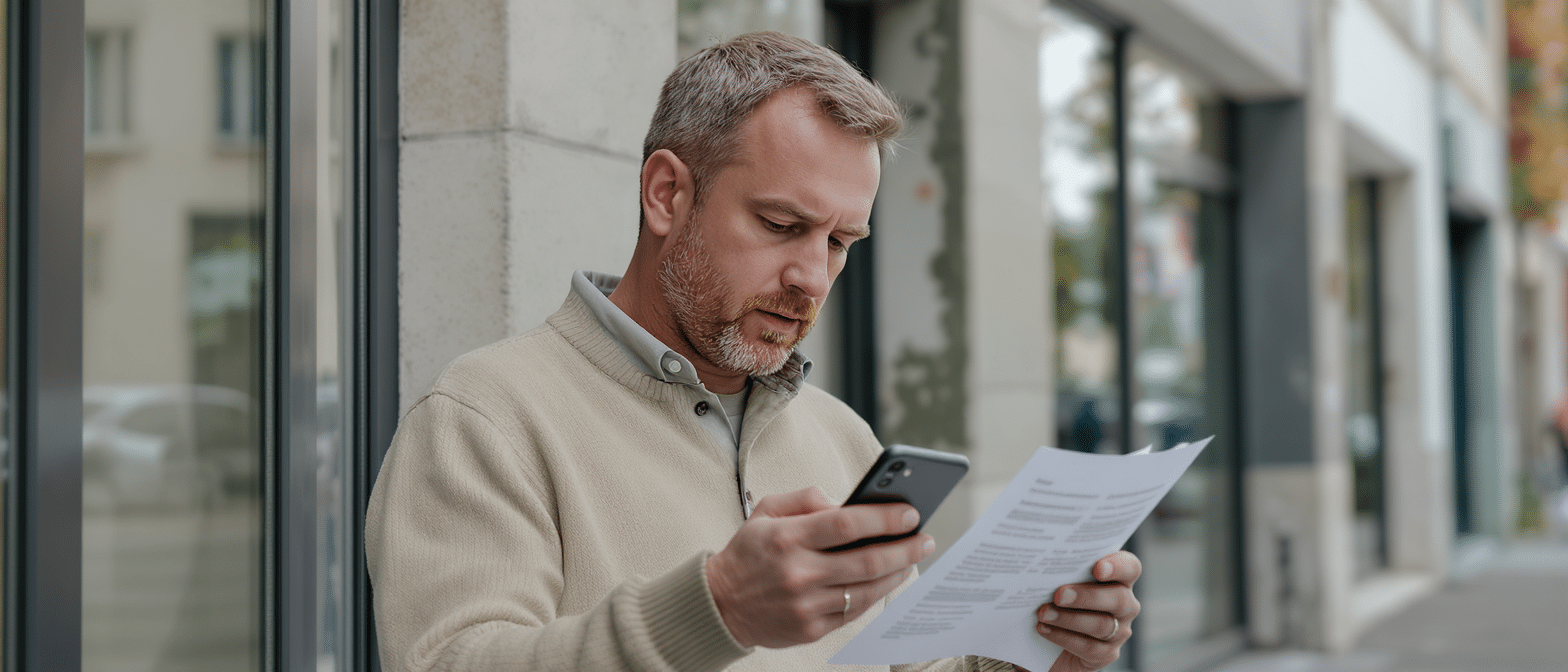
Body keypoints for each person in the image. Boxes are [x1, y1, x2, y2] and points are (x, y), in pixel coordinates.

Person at [366, 31, 1141, 672]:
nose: (812, 277)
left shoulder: (841, 437)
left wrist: (1037, 651)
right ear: (667, 194)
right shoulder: (485, 418)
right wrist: (715, 609)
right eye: (780, 225)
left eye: (841, 242)